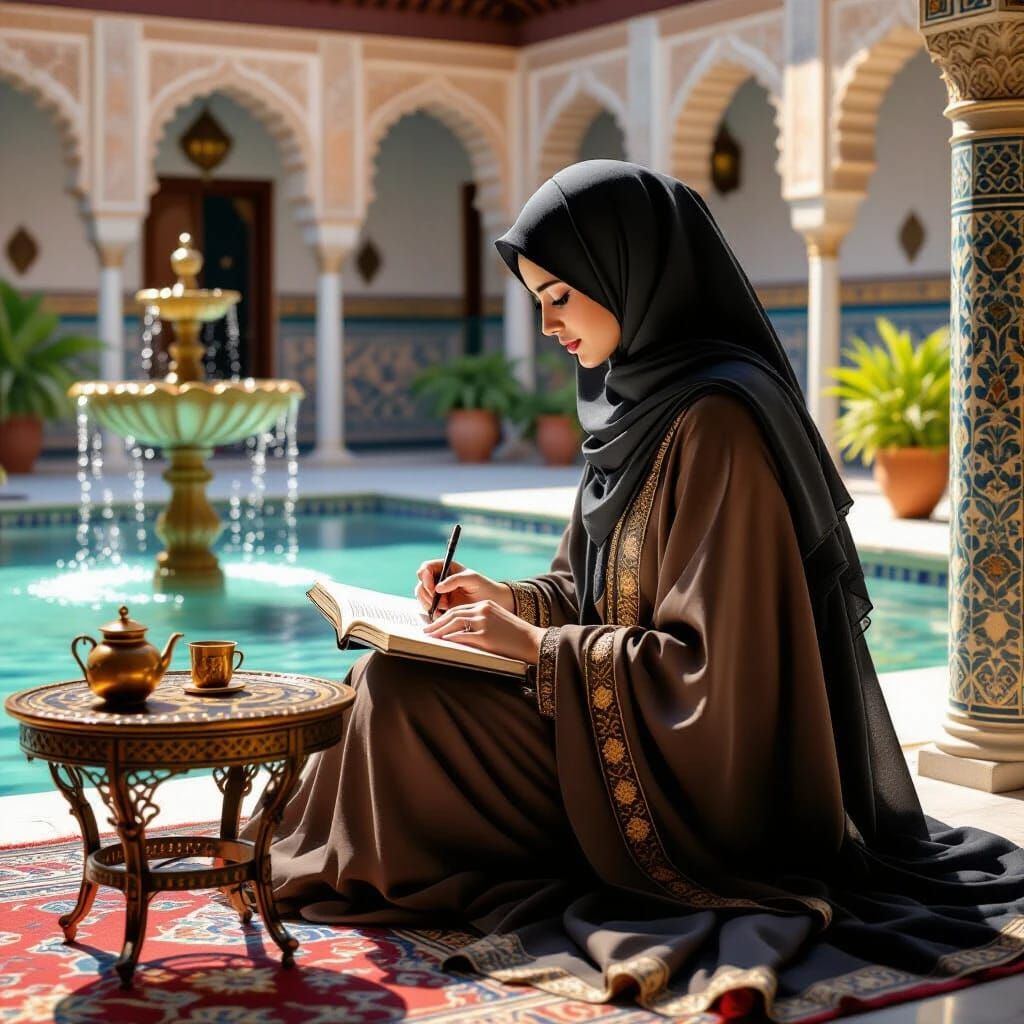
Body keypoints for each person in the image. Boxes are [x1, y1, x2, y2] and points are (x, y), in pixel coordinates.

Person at [242, 160, 1024, 1021]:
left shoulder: (721, 423)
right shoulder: (638, 410)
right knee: (373, 682)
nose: (547, 325)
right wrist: (495, 597)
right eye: (538, 300)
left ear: (628, 271)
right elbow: (586, 586)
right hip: (614, 713)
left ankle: (366, 862)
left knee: (402, 696)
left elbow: (714, 678)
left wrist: (534, 649)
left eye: (560, 297)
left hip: (697, 777)